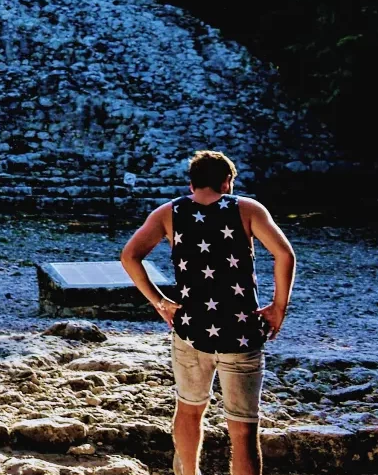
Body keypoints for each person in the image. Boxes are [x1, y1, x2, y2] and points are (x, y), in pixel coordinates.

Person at [119, 151, 297, 475]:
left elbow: (130, 256)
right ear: (227, 182)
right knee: (243, 429)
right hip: (240, 331)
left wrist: (159, 301)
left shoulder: (168, 213)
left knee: (188, 410)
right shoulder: (247, 209)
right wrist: (278, 307)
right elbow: (285, 255)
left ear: (191, 184)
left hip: (190, 329)